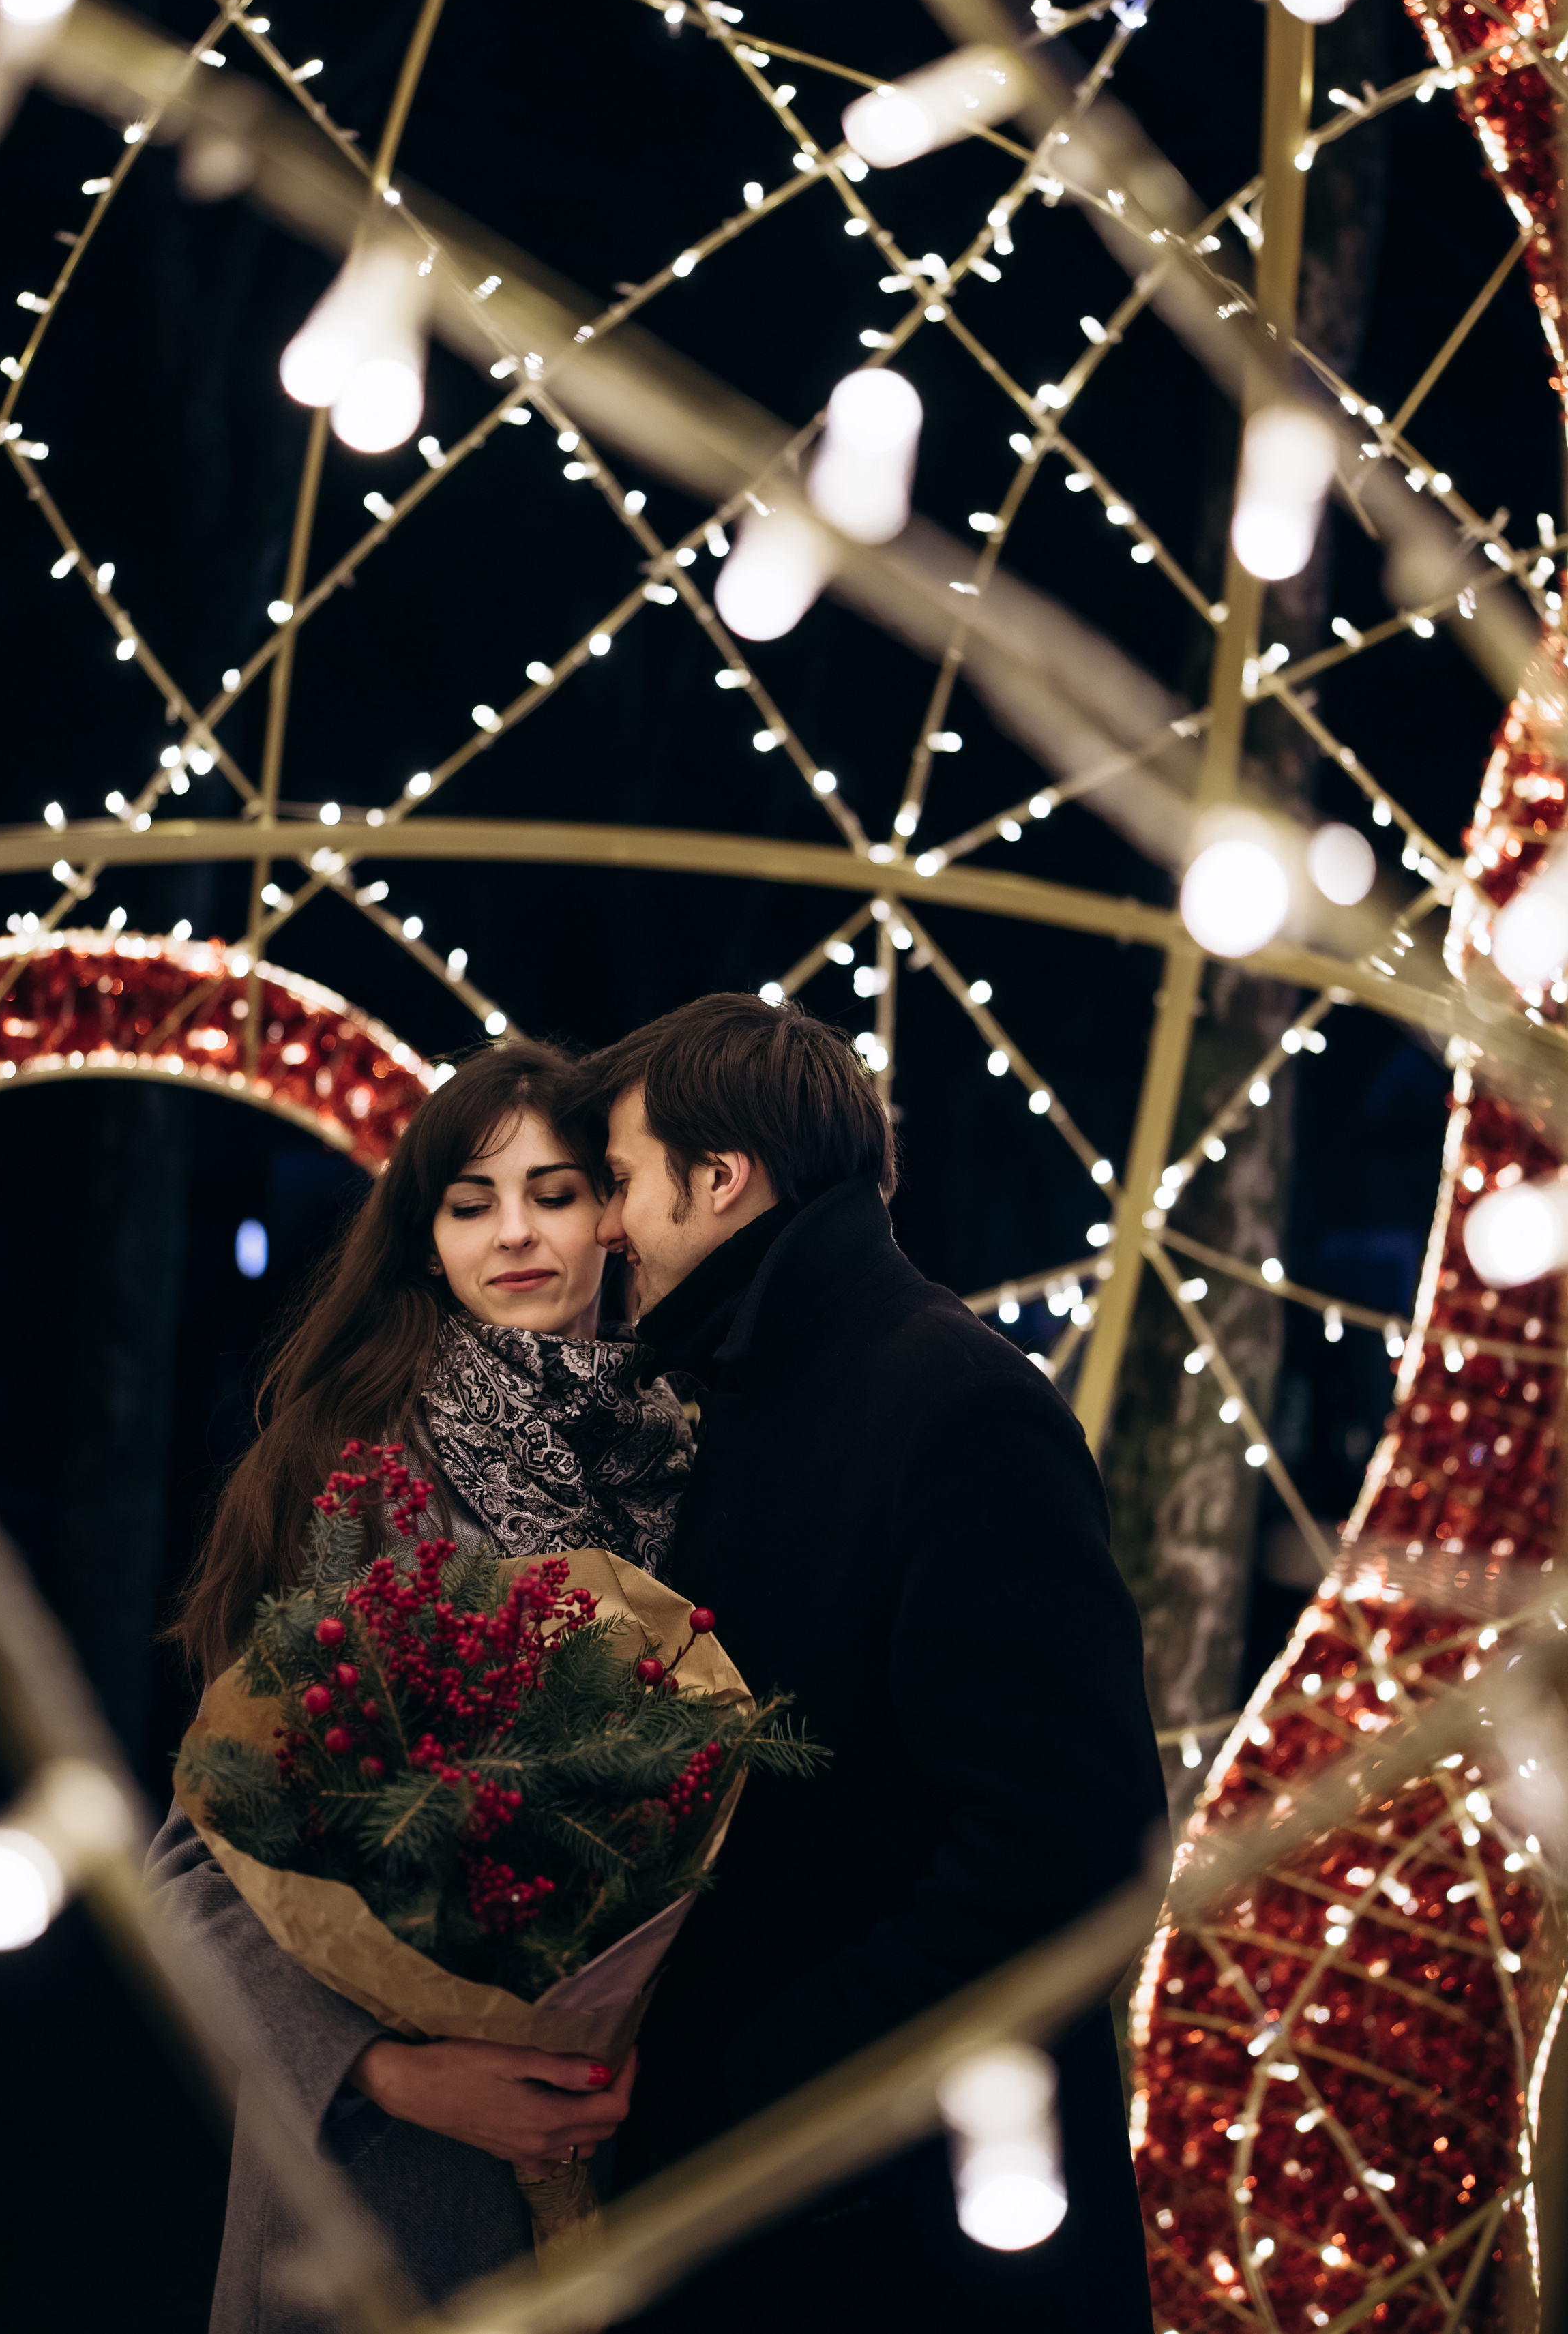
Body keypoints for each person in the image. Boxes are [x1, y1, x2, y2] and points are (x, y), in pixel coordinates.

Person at [577, 992, 1167, 2332]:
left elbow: (1069, 1852)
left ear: (720, 1178)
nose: (606, 1226)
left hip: (901, 2227)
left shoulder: (953, 1404)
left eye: (622, 1182)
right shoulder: (732, 1400)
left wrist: (759, 2067)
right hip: (775, 2203)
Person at [145, 1040, 692, 2332]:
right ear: (424, 1236)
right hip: (385, 2193)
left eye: (554, 1192)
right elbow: (198, 1871)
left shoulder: (689, 1459)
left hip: (648, 2165)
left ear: (611, 1217)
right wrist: (390, 2071)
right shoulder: (353, 1473)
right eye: (471, 1201)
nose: (516, 1231)